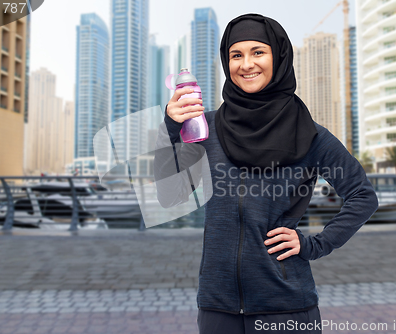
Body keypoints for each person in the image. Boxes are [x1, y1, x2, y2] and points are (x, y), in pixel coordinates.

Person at [157, 13, 379, 334]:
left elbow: (362, 197)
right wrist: (171, 128)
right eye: (236, 55)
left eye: (258, 52)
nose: (246, 64)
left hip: (286, 308)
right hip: (217, 307)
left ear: (279, 56)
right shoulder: (205, 128)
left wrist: (314, 245)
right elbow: (169, 195)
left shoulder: (309, 134)